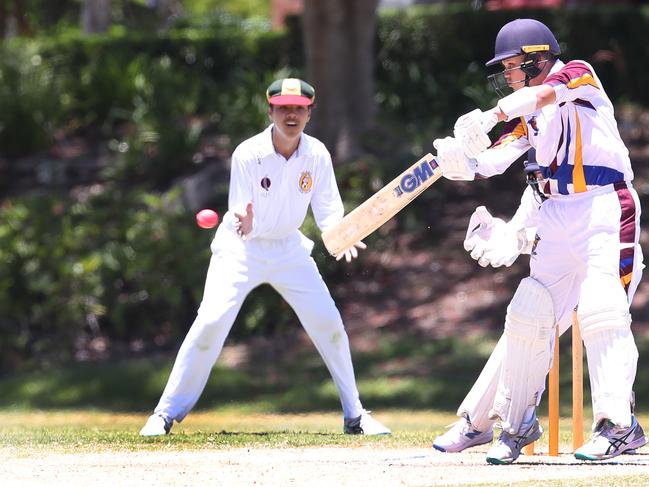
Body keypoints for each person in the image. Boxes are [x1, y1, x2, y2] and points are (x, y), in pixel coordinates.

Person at [432, 18, 646, 464]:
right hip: (557, 214)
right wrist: (461, 164)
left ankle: (619, 426)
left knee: (601, 307)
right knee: (528, 317)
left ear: (538, 59)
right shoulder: (530, 117)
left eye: (512, 66)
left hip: (606, 208)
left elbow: (544, 93)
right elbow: (495, 159)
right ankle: (506, 423)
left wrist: (492, 114)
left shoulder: (578, 74)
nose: (507, 76)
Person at [139, 78, 390, 437]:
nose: (291, 114)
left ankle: (355, 416)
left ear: (309, 113)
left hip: (288, 247)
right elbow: (242, 214)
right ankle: (164, 414)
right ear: (270, 111)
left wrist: (342, 236)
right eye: (284, 107)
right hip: (241, 249)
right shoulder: (248, 153)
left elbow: (329, 212)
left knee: (329, 322)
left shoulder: (317, 154)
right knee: (210, 322)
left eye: (299, 108)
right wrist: (248, 222)